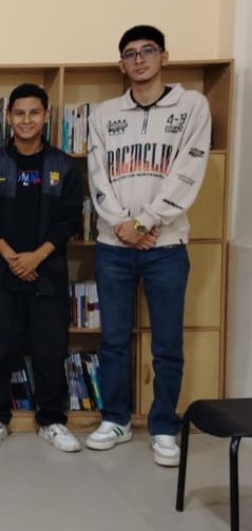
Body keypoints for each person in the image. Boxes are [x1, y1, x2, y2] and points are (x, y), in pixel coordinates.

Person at [86, 25, 211, 467]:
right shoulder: (105, 113)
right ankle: (116, 420)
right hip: (113, 245)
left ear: (164, 57)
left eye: (148, 51)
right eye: (131, 54)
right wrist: (123, 224)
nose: (139, 60)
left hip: (167, 246)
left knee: (167, 343)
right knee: (113, 340)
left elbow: (188, 172)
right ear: (121, 64)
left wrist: (145, 222)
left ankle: (163, 427)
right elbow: (97, 175)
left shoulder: (192, 106)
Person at [0, 84, 83, 453]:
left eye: (34, 113)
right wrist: (12, 257)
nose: (26, 120)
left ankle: (51, 420)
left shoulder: (63, 165)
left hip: (47, 273)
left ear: (46, 116)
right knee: (0, 348)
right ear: (8, 117)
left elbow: (70, 220)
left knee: (50, 350)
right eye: (19, 113)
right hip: (1, 272)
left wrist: (36, 257)